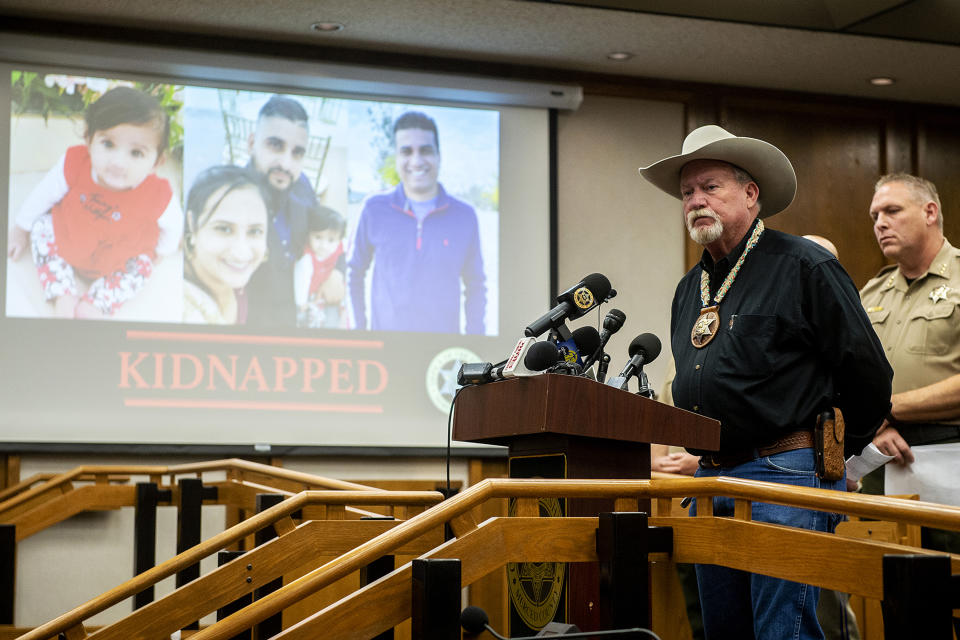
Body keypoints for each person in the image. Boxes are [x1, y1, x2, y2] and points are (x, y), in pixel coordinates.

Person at [638, 125, 892, 640]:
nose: (695, 202)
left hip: (787, 472)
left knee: (784, 631)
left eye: (711, 187)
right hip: (710, 479)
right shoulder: (692, 287)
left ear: (751, 194)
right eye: (688, 193)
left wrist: (836, 459)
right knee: (725, 632)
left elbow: (869, 376)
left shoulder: (805, 265)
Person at [8, 86, 181, 318]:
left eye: (136, 153)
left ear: (157, 162)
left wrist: (162, 250)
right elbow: (43, 194)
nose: (118, 163)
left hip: (120, 255)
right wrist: (21, 228)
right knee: (41, 227)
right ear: (88, 139)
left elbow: (174, 225)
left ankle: (99, 302)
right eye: (108, 144)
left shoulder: (158, 194)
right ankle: (62, 291)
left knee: (143, 266)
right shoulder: (75, 163)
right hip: (70, 235)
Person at [859, 173, 960, 554]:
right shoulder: (872, 292)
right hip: (882, 456)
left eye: (892, 211)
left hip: (951, 451)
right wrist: (873, 427)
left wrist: (887, 410)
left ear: (930, 212)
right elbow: (844, 378)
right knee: (893, 594)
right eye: (874, 215)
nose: (880, 223)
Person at [346, 110, 486, 334]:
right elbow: (353, 272)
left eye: (426, 150)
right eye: (406, 151)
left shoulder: (465, 216)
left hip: (443, 356)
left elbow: (476, 285)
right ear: (397, 158)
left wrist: (475, 341)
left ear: (439, 155)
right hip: (383, 351)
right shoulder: (373, 209)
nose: (416, 160)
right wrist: (359, 331)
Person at [242, 95, 316, 326]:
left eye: (297, 153)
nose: (286, 163)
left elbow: (321, 228)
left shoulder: (302, 184)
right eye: (275, 145)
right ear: (252, 143)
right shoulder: (229, 197)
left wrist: (338, 271)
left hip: (290, 329)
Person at [182, 165, 268, 324]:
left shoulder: (231, 278)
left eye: (255, 231)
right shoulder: (181, 306)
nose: (241, 252)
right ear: (192, 224)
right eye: (224, 229)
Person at [294, 202, 347, 329]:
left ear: (338, 239)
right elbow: (301, 281)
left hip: (331, 294)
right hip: (311, 297)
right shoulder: (307, 259)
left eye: (330, 240)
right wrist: (301, 304)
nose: (324, 245)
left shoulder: (338, 246)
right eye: (318, 237)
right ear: (309, 234)